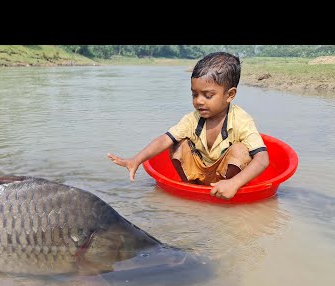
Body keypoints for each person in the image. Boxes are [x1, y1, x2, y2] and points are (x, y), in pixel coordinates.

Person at [107, 52, 269, 200]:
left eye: (208, 95)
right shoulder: (192, 119)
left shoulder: (242, 121)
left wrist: (235, 183)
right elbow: (164, 140)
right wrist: (136, 160)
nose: (198, 101)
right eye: (194, 94)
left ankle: (225, 189)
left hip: (228, 180)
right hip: (198, 175)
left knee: (240, 150)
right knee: (177, 143)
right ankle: (190, 189)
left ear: (230, 95)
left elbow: (262, 160)